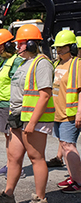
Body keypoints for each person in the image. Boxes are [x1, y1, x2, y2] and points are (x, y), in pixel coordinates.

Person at [0, 24, 54, 203]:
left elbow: (45, 95)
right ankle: (8, 194)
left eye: (21, 44)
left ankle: (40, 200)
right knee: (14, 157)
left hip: (32, 119)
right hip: (18, 116)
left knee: (36, 157)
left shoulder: (42, 63)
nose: (17, 47)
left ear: (32, 43)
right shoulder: (24, 62)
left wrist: (32, 123)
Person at [0, 29, 26, 177]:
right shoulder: (6, 61)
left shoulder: (16, 61)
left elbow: (18, 83)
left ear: (7, 45)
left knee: (14, 136)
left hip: (11, 104)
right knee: (7, 135)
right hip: (3, 103)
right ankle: (10, 164)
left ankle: (17, 167)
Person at [49, 30, 81, 193]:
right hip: (58, 113)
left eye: (62, 47)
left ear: (72, 47)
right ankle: (73, 177)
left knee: (69, 146)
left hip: (70, 113)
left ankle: (79, 182)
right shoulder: (58, 64)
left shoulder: (77, 64)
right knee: (64, 144)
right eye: (58, 47)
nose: (59, 50)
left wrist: (79, 112)